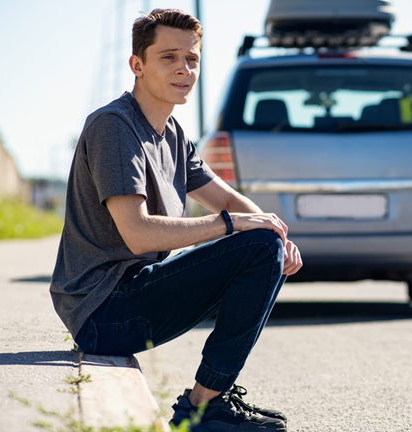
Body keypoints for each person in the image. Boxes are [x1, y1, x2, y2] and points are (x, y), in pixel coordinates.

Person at [49, 8, 301, 431]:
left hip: (133, 295)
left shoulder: (174, 133)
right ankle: (204, 407)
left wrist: (275, 230)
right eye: (168, 57)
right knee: (256, 245)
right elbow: (138, 233)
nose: (184, 69)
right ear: (138, 65)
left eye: (192, 59)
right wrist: (235, 226)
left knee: (265, 244)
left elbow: (225, 197)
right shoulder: (115, 127)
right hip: (103, 310)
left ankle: (209, 403)